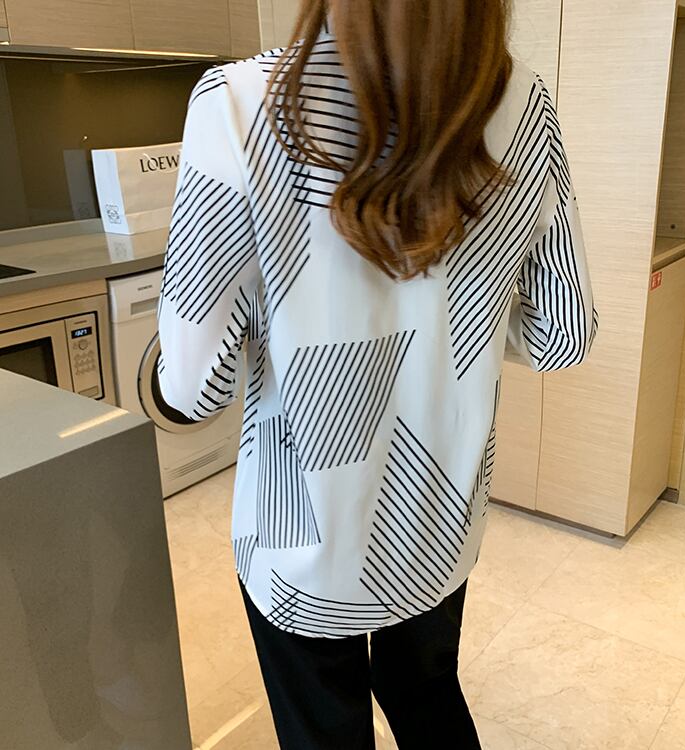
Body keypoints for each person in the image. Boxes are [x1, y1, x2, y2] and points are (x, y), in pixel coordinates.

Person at [158, 1, 597, 747]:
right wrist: (464, 320)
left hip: (301, 540)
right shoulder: (522, 102)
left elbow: (193, 388)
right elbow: (563, 335)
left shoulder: (237, 103)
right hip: (438, 523)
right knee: (428, 701)